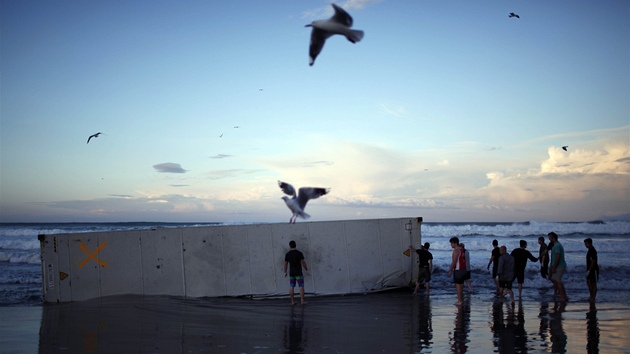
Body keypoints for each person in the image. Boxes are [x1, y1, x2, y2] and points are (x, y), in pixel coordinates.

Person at [284, 240, 309, 305]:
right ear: (295, 245)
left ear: (290, 246)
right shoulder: (299, 253)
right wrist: (306, 269)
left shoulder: (287, 254)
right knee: (301, 286)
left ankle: (292, 301)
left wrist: (285, 271)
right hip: (298, 272)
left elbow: (285, 264)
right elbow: (303, 262)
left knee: (291, 286)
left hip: (291, 273)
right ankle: (302, 301)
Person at [548, 232, 568, 302]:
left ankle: (563, 297)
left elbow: (558, 257)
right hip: (556, 266)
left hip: (559, 266)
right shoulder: (555, 245)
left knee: (558, 281)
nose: (549, 239)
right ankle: (563, 295)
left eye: (550, 237)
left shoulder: (557, 246)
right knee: (556, 280)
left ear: (553, 238)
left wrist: (554, 267)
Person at [447, 237, 467, 305]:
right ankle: (461, 299)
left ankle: (459, 300)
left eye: (451, 243)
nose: (451, 245)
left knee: (458, 285)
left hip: (458, 270)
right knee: (461, 285)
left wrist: (450, 270)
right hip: (464, 269)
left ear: (455, 243)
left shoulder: (456, 251)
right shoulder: (462, 249)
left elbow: (454, 262)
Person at [584, 238, 599, 302]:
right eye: (585, 244)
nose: (585, 245)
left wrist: (589, 270)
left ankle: (593, 297)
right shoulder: (589, 250)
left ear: (590, 243)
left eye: (586, 243)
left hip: (593, 269)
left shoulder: (593, 250)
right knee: (589, 282)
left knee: (593, 283)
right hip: (589, 269)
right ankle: (591, 296)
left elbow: (594, 261)